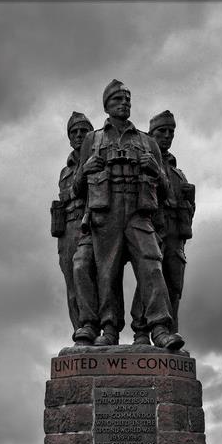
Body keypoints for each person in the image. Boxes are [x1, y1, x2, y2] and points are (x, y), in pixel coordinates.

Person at [72, 80, 184, 349]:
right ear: (107, 106)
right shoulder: (93, 139)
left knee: (152, 264)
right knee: (106, 273)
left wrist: (156, 171)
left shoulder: (147, 142)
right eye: (117, 100)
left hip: (138, 213)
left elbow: (167, 192)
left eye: (127, 101)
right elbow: (77, 189)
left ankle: (159, 327)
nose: (123, 104)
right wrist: (86, 168)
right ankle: (109, 329)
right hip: (106, 213)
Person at [131, 110, 195, 343]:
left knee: (174, 284)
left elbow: (189, 206)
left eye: (171, 132)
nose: (167, 136)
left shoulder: (179, 173)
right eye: (162, 131)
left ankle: (170, 330)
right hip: (153, 228)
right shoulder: (145, 163)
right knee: (149, 279)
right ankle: (141, 330)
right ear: (151, 134)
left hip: (176, 235)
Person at [50, 112, 98, 341]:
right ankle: (81, 332)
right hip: (68, 227)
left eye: (83, 131)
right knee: (71, 284)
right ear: (69, 137)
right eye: (74, 132)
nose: (79, 135)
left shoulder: (99, 160)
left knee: (90, 274)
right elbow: (66, 195)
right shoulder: (65, 170)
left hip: (92, 224)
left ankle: (96, 327)